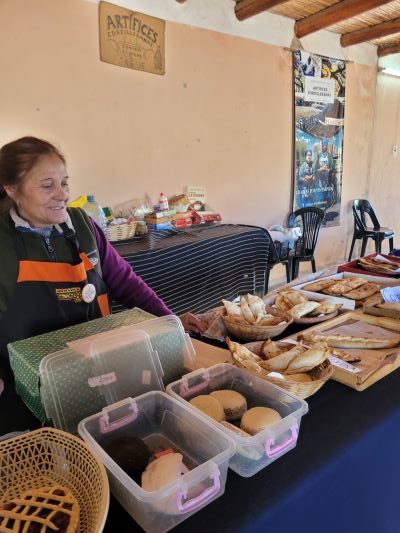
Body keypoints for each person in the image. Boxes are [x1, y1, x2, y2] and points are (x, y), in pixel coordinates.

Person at [0, 136, 173, 383]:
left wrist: (170, 322)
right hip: (29, 384)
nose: (62, 195)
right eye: (47, 186)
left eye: (64, 183)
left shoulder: (82, 225)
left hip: (98, 370)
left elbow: (126, 283)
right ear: (12, 189)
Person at [313, 138, 335, 208]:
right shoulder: (318, 155)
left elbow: (332, 167)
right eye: (323, 145)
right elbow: (315, 168)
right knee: (321, 196)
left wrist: (329, 169)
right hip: (320, 180)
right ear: (321, 146)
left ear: (327, 146)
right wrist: (320, 169)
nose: (324, 147)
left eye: (325, 145)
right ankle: (321, 209)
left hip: (328, 179)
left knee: (328, 195)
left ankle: (327, 207)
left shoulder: (329, 156)